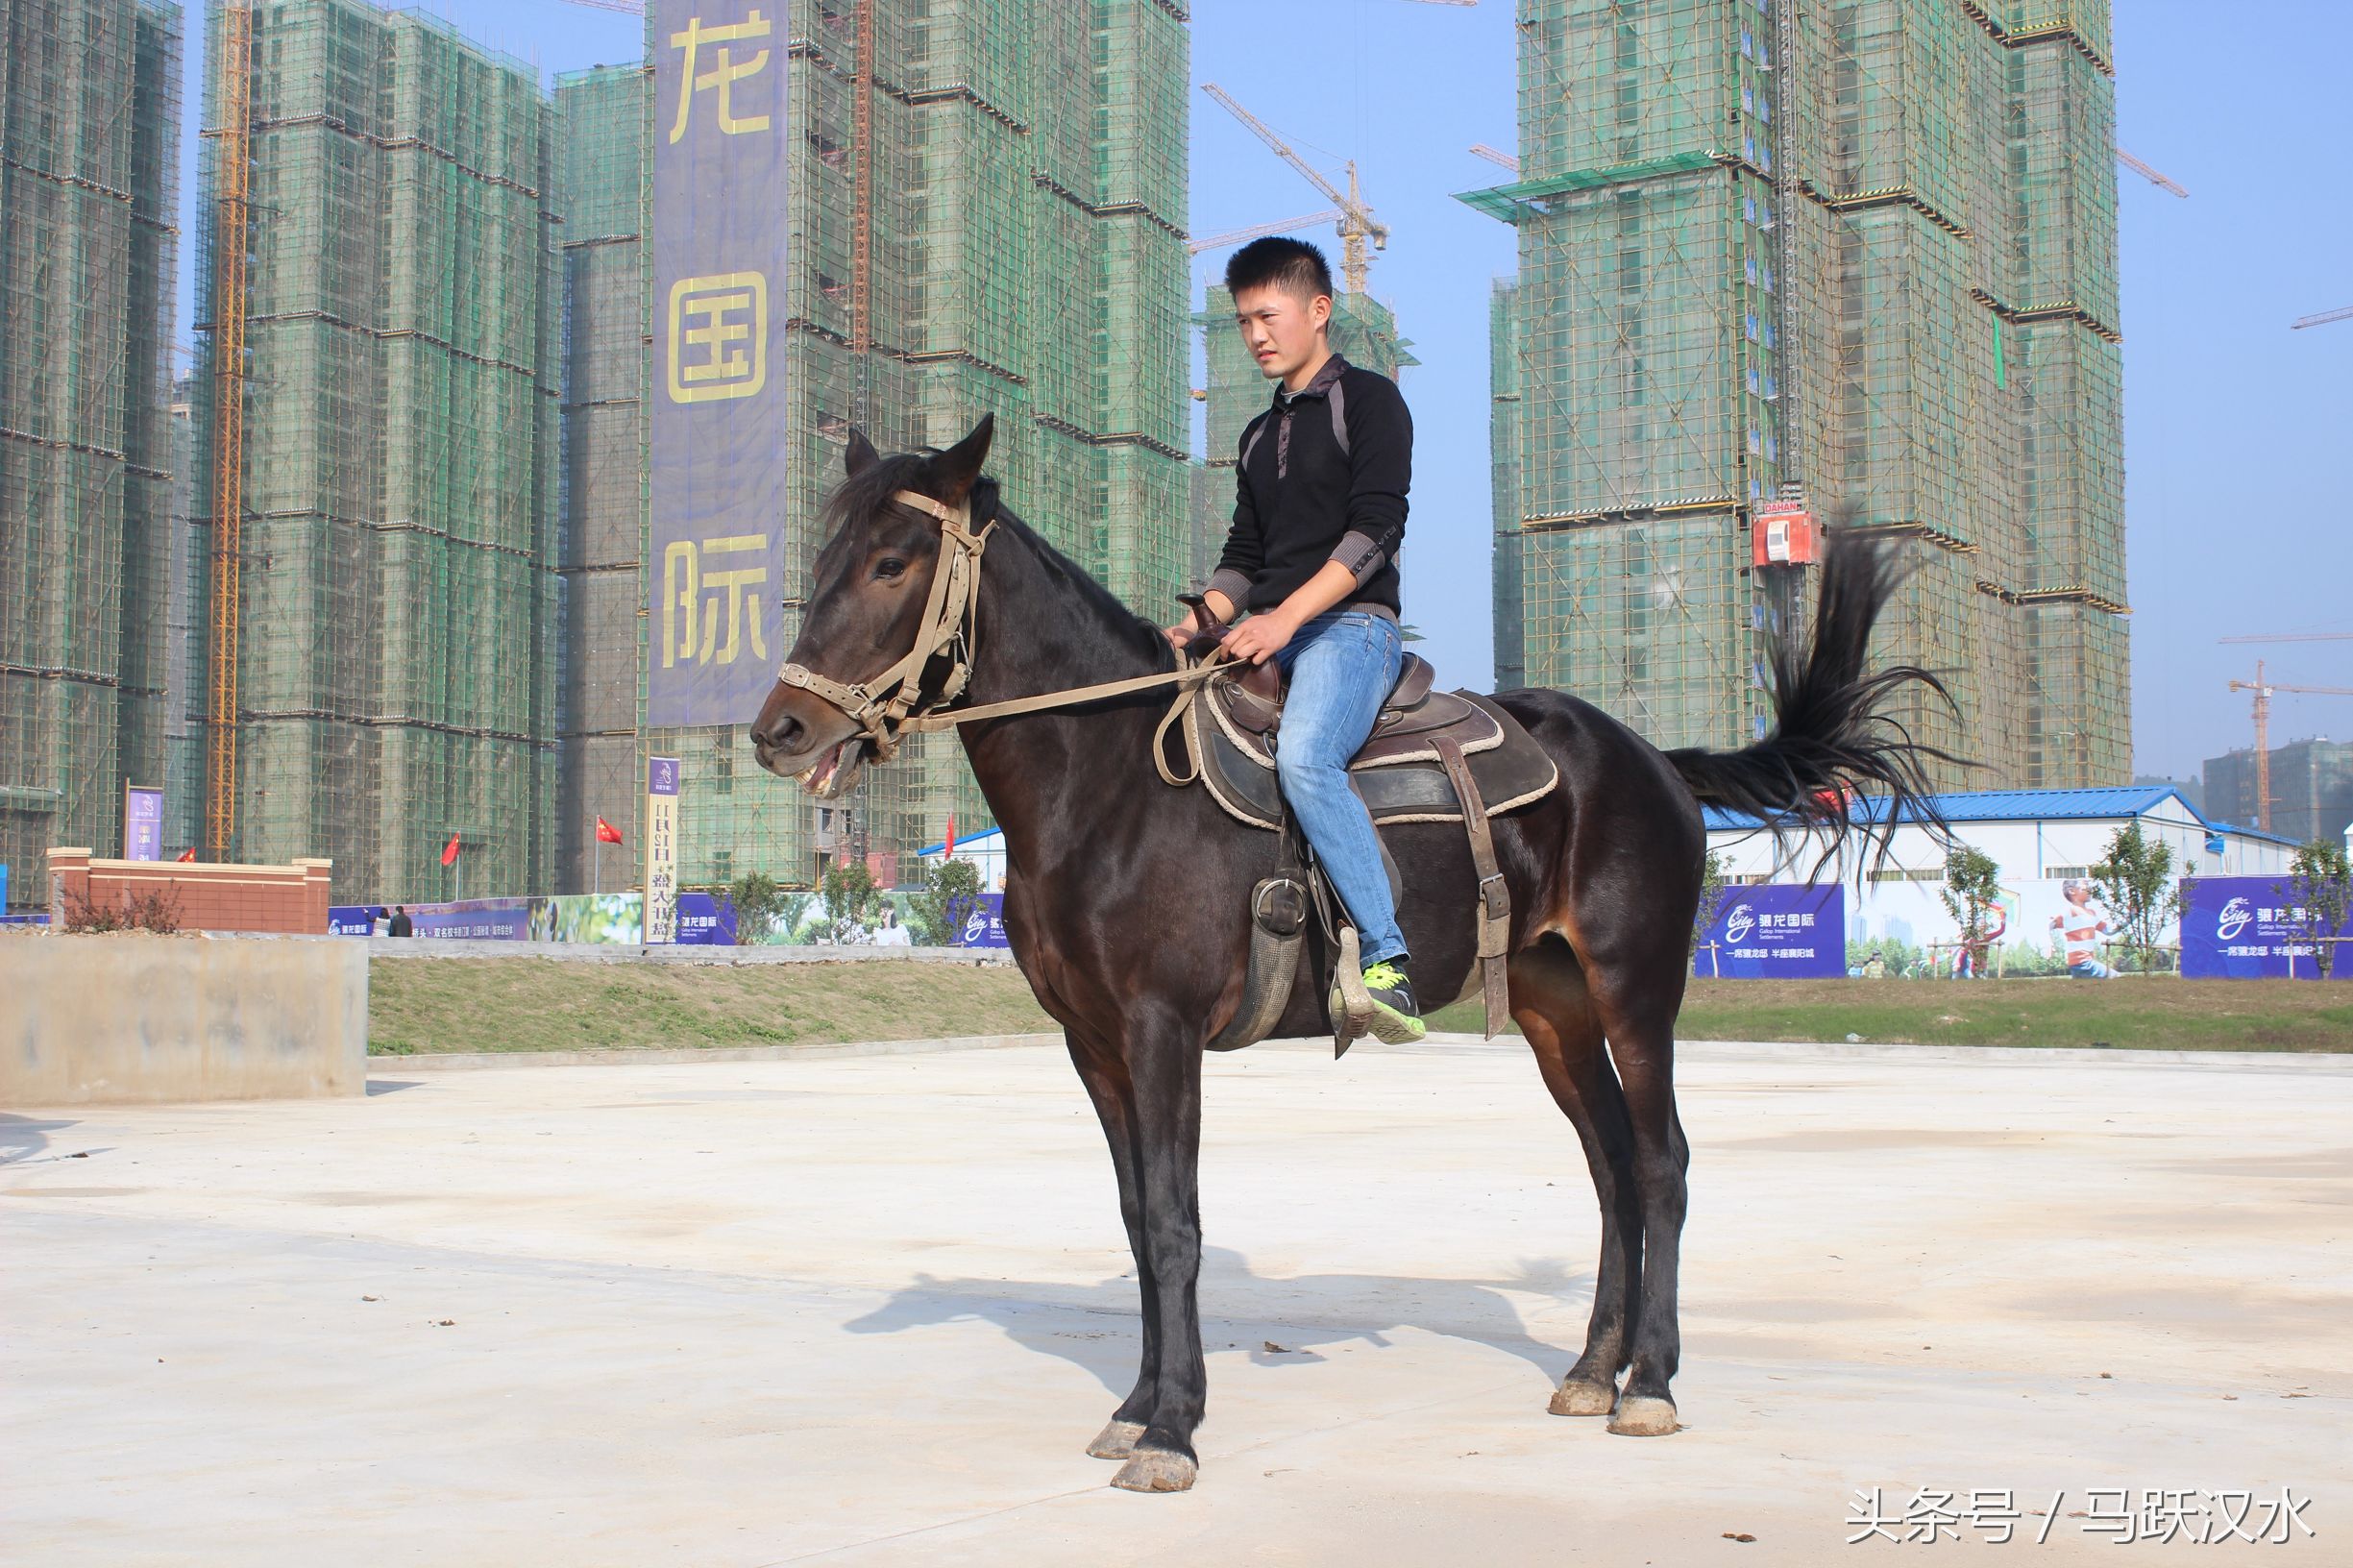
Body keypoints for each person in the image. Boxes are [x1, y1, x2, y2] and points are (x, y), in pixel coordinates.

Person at [1164, 237, 1420, 1042]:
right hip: (1263, 636)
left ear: (1318, 310)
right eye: (1241, 322)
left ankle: (1386, 961)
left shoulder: (1370, 402)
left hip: (1351, 629)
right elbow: (1244, 559)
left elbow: (1376, 529)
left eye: (1266, 317)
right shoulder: (1251, 437)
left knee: (1307, 758)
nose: (1254, 336)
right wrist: (1200, 619)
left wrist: (1283, 620)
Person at [2050, 881, 2115, 978]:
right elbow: (2050, 925)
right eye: (2085, 888)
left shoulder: (2091, 913)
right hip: (2081, 962)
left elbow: (2108, 930)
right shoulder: (2070, 911)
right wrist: (2050, 943)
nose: (2090, 891)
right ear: (2072, 891)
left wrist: (2131, 917)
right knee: (2115, 977)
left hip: (2085, 962)